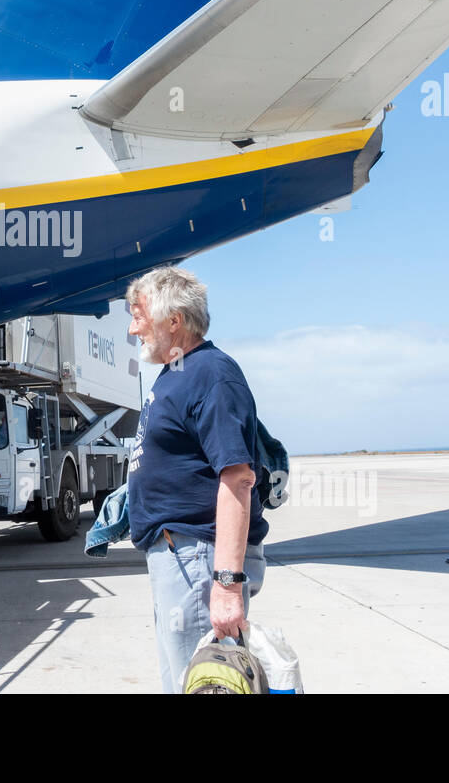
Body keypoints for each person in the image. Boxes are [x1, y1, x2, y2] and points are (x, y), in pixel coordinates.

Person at [124, 265, 268, 693]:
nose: (133, 330)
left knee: (203, 683)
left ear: (174, 321)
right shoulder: (177, 374)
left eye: (138, 316)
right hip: (179, 556)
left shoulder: (211, 374)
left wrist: (226, 585)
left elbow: (238, 478)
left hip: (199, 559)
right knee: (182, 683)